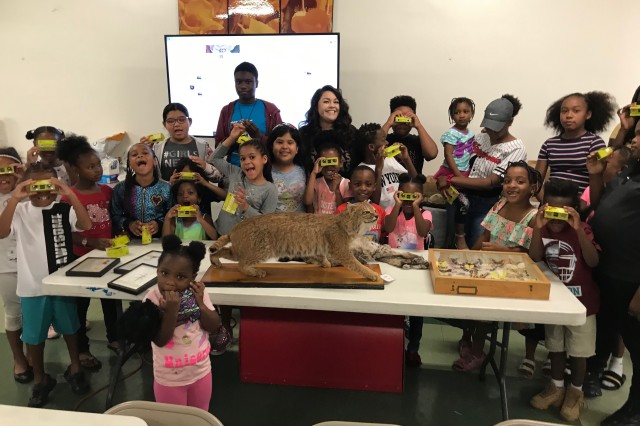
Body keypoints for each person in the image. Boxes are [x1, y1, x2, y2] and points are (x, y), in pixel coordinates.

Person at [0, 161, 92, 407]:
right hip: (31, 287)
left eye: (48, 185)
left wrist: (69, 193)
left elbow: (86, 225)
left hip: (61, 284)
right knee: (33, 337)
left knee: (71, 329)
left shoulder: (62, 209)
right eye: (36, 185)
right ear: (26, 186)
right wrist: (15, 197)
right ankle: (40, 379)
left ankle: (74, 368)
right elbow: (1, 231)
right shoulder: (19, 210)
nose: (42, 191)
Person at [453, 161, 541, 372]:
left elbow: (532, 256)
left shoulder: (534, 218)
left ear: (533, 188)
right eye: (507, 181)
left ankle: (477, 351)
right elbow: (484, 238)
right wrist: (468, 259)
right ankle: (467, 336)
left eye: (520, 181)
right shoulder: (499, 206)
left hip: (512, 275)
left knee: (484, 301)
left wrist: (502, 251)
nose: (512, 185)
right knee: (464, 290)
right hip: (485, 268)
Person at [529, 179, 600, 422]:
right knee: (555, 346)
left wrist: (579, 228)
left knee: (579, 353)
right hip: (554, 301)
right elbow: (535, 257)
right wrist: (539, 227)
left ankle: (575, 394)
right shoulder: (543, 228)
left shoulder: (582, 230)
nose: (556, 218)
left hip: (582, 304)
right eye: (551, 210)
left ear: (574, 211)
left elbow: (593, 261)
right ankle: (556, 387)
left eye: (562, 212)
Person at [585, 118, 640, 425]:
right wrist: (595, 177)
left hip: (633, 277)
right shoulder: (630, 171)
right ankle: (593, 372)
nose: (634, 138)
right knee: (605, 327)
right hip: (609, 269)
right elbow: (600, 205)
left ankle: (635, 411)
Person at [209, 122, 278, 354]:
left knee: (246, 285)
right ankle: (224, 326)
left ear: (264, 160)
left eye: (252, 157)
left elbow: (266, 222)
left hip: (248, 245)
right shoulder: (235, 174)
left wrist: (246, 207)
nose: (247, 162)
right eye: (244, 158)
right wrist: (233, 136)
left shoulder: (269, 189)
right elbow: (215, 159)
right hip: (224, 238)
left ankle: (253, 333)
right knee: (223, 288)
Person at [56, 136, 122, 369]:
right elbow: (66, 233)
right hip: (80, 258)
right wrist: (91, 242)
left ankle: (115, 338)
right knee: (80, 306)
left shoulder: (106, 191)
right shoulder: (68, 198)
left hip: (108, 257)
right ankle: (82, 349)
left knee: (112, 301)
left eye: (98, 165)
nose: (97, 170)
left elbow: (114, 221)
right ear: (74, 168)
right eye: (90, 166)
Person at [437, 94, 527, 248]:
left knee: (476, 248)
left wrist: (450, 179)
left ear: (510, 122)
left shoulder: (516, 148)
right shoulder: (479, 138)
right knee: (450, 244)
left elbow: (490, 183)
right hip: (459, 197)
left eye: (497, 129)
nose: (491, 132)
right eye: (489, 126)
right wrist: (442, 178)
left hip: (487, 204)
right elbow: (459, 160)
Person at [144, 235, 221, 410]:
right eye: (164, 273)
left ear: (192, 277)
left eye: (180, 277)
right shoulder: (152, 299)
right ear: (157, 270)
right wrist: (171, 310)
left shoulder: (197, 293)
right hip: (169, 379)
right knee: (173, 421)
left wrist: (200, 303)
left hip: (201, 372)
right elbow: (160, 340)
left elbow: (214, 325)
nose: (170, 282)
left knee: (199, 416)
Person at [384, 173, 432, 367]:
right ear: (398, 194)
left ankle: (413, 348)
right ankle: (392, 346)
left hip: (416, 266)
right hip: (393, 263)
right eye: (404, 195)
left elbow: (422, 231)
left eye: (413, 197)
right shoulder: (391, 210)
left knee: (416, 312)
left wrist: (416, 208)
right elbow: (388, 227)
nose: (408, 200)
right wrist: (396, 205)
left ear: (421, 197)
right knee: (393, 308)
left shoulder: (426, 213)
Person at [535, 91, 616, 198]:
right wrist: (545, 201)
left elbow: (600, 181)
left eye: (576, 111)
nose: (569, 115)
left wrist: (583, 208)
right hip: (550, 204)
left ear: (588, 114)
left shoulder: (595, 143)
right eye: (564, 111)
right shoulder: (549, 144)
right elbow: (536, 180)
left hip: (582, 206)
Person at [0, 148, 31, 384]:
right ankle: (19, 358)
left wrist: (25, 176)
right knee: (13, 314)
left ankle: (33, 353)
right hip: (6, 266)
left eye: (8, 169)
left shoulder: (29, 191)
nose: (2, 176)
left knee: (33, 313)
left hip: (34, 263)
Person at [214, 62, 283, 167]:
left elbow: (281, 145)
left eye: (248, 82)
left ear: (257, 83)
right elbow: (218, 146)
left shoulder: (270, 110)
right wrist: (232, 139)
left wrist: (258, 136)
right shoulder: (226, 110)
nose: (243, 86)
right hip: (233, 172)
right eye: (238, 82)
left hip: (263, 173)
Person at [434, 97, 476, 249]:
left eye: (466, 111)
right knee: (454, 208)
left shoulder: (471, 134)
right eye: (457, 112)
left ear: (471, 114)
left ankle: (459, 238)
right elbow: (448, 155)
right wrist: (458, 175)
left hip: (464, 173)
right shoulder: (451, 134)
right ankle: (449, 242)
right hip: (452, 173)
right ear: (452, 115)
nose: (462, 115)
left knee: (463, 208)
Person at [142, 103, 220, 183]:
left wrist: (205, 166)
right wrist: (143, 151)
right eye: (171, 121)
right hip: (166, 195)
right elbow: (145, 177)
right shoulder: (156, 148)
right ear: (164, 124)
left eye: (182, 120)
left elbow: (218, 177)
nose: (176, 124)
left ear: (189, 121)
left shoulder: (203, 146)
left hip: (197, 194)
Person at [111, 144, 171, 239]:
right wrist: (129, 224)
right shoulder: (120, 188)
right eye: (134, 155)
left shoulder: (167, 187)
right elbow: (114, 215)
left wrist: (158, 224)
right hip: (130, 243)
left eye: (145, 153)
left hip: (159, 241)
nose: (140, 156)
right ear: (129, 163)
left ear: (155, 161)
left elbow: (172, 214)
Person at [352, 123, 417, 210]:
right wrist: (378, 169)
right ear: (371, 147)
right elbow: (375, 203)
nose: (387, 142)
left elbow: (414, 179)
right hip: (383, 216)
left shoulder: (389, 159)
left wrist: (406, 159)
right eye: (383, 140)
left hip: (400, 212)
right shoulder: (362, 171)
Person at [299, 85, 357, 176]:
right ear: (316, 105)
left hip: (346, 189)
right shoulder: (304, 134)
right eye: (326, 101)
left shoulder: (351, 132)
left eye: (336, 102)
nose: (332, 106)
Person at [382, 95, 438, 174]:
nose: (403, 122)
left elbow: (431, 154)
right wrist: (388, 123)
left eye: (407, 117)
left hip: (413, 184)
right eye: (398, 117)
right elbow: (372, 148)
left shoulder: (418, 141)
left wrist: (419, 126)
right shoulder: (384, 140)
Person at [335, 166, 385, 242]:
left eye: (368, 184)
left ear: (374, 187)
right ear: (350, 186)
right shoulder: (341, 210)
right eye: (357, 184)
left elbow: (383, 235)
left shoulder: (379, 210)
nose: (363, 188)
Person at [267, 123, 308, 212]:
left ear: (297, 148)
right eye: (280, 142)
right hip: (273, 223)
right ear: (271, 146)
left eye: (290, 143)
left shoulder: (304, 169)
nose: (285, 147)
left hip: (300, 223)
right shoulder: (265, 171)